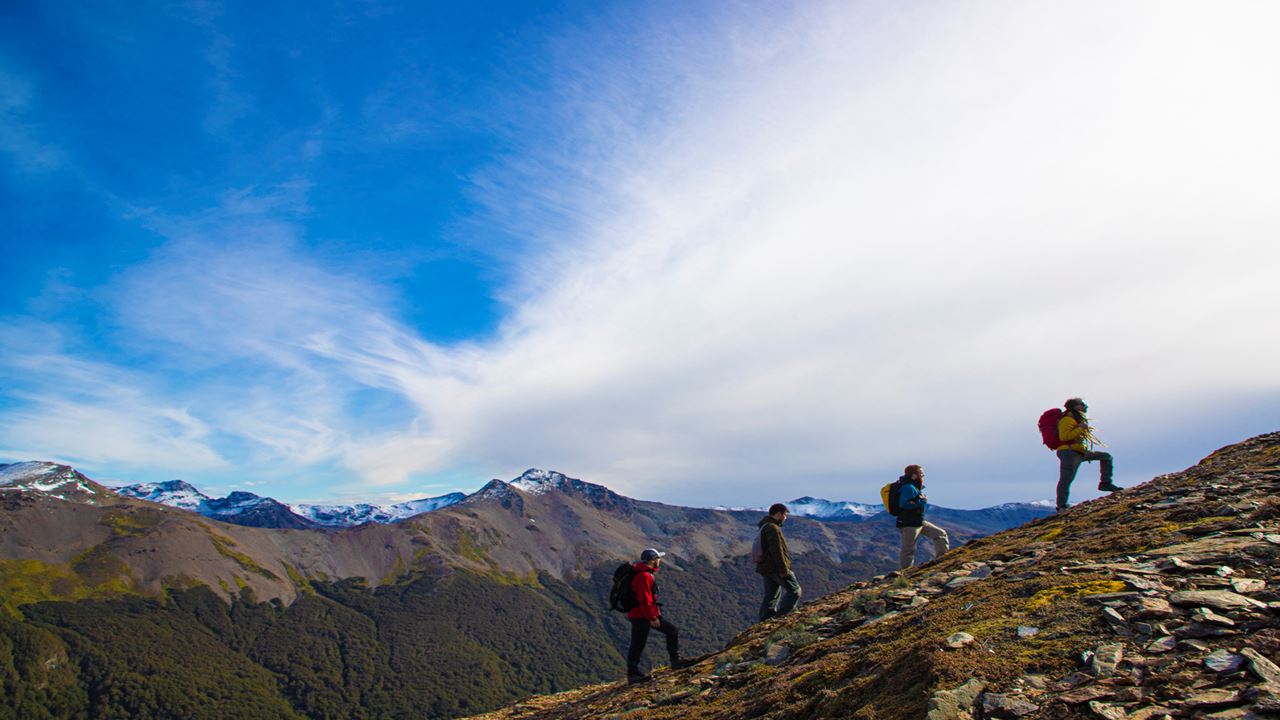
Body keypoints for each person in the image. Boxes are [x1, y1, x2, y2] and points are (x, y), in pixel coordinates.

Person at [625, 548, 686, 684]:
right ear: (653, 560)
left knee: (638, 643)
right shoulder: (644, 576)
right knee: (670, 631)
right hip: (642, 615)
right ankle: (675, 661)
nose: (660, 560)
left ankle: (633, 673)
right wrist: (652, 617)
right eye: (658, 558)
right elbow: (645, 600)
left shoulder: (641, 573)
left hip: (638, 614)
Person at [1056, 398, 1120, 511]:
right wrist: (1080, 428)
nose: (1086, 406)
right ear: (1075, 406)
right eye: (1083, 404)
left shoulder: (1076, 419)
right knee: (1066, 479)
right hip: (1069, 453)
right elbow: (1064, 437)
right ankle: (1061, 506)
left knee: (1106, 457)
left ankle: (1105, 483)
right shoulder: (1067, 420)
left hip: (1078, 452)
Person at [896, 465, 950, 570]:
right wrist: (921, 501)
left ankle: (942, 560)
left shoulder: (913, 487)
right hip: (909, 523)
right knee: (909, 548)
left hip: (918, 521)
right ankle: (905, 572)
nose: (923, 475)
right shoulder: (908, 487)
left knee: (940, 534)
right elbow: (904, 504)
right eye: (921, 473)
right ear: (914, 475)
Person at [756, 503, 802, 621]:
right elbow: (777, 550)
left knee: (772, 595)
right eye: (785, 515)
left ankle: (765, 619)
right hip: (775, 567)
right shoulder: (772, 528)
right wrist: (783, 569)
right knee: (795, 590)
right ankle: (783, 616)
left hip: (766, 568)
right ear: (778, 514)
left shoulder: (764, 526)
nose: (785, 518)